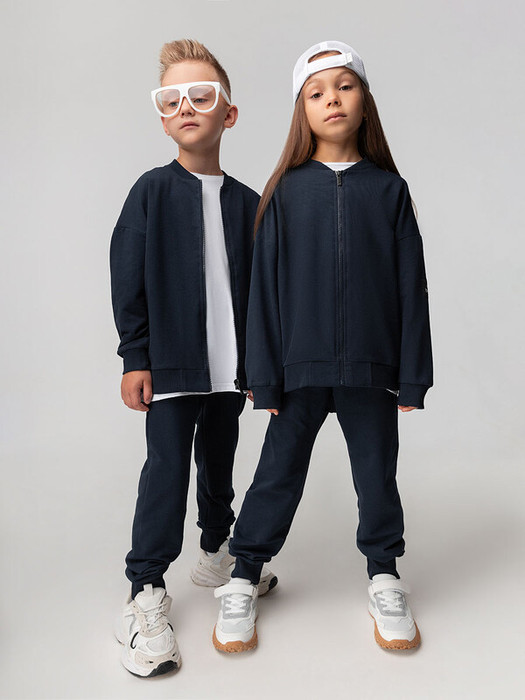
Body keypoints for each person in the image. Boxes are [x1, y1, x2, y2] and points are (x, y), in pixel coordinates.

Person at [212, 40, 432, 654]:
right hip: (297, 371)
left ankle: (385, 575)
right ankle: (243, 576)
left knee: (377, 476)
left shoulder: (389, 191)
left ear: (364, 101)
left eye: (344, 86)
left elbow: (411, 288)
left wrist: (412, 374)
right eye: (316, 92)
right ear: (302, 111)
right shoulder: (284, 192)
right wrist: (262, 375)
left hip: (371, 368)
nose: (332, 99)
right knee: (276, 476)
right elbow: (263, 293)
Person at [109, 38, 276, 678]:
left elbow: (262, 291)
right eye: (170, 99)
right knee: (166, 471)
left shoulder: (248, 202)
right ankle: (145, 589)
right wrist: (135, 356)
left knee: (219, 462)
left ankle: (214, 552)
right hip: (172, 368)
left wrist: (259, 365)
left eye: (200, 96)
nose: (185, 106)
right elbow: (127, 277)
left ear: (227, 114)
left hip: (230, 370)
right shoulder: (150, 192)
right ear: (161, 117)